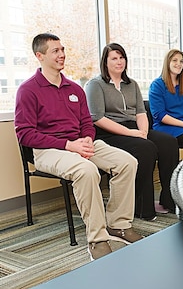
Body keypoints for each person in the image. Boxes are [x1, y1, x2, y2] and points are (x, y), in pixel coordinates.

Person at [15, 33, 141, 260]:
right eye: (55, 51)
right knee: (86, 171)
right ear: (39, 56)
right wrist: (68, 145)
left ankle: (118, 224)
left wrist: (86, 141)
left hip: (80, 144)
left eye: (62, 49)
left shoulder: (74, 88)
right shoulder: (28, 90)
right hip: (49, 150)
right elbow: (25, 134)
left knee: (127, 162)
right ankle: (97, 238)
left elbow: (86, 123)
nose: (62, 54)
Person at [85, 43, 178, 220]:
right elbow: (98, 118)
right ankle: (141, 207)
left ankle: (169, 199)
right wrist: (133, 134)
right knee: (147, 148)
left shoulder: (131, 84)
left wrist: (142, 131)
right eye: (114, 58)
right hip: (108, 133)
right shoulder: (95, 84)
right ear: (105, 62)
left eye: (122, 58)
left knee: (169, 143)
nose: (119, 62)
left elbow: (141, 112)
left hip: (134, 128)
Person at [148, 49, 183, 150]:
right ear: (167, 63)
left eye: (181, 61)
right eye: (175, 60)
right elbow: (160, 115)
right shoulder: (157, 85)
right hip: (165, 127)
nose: (178, 64)